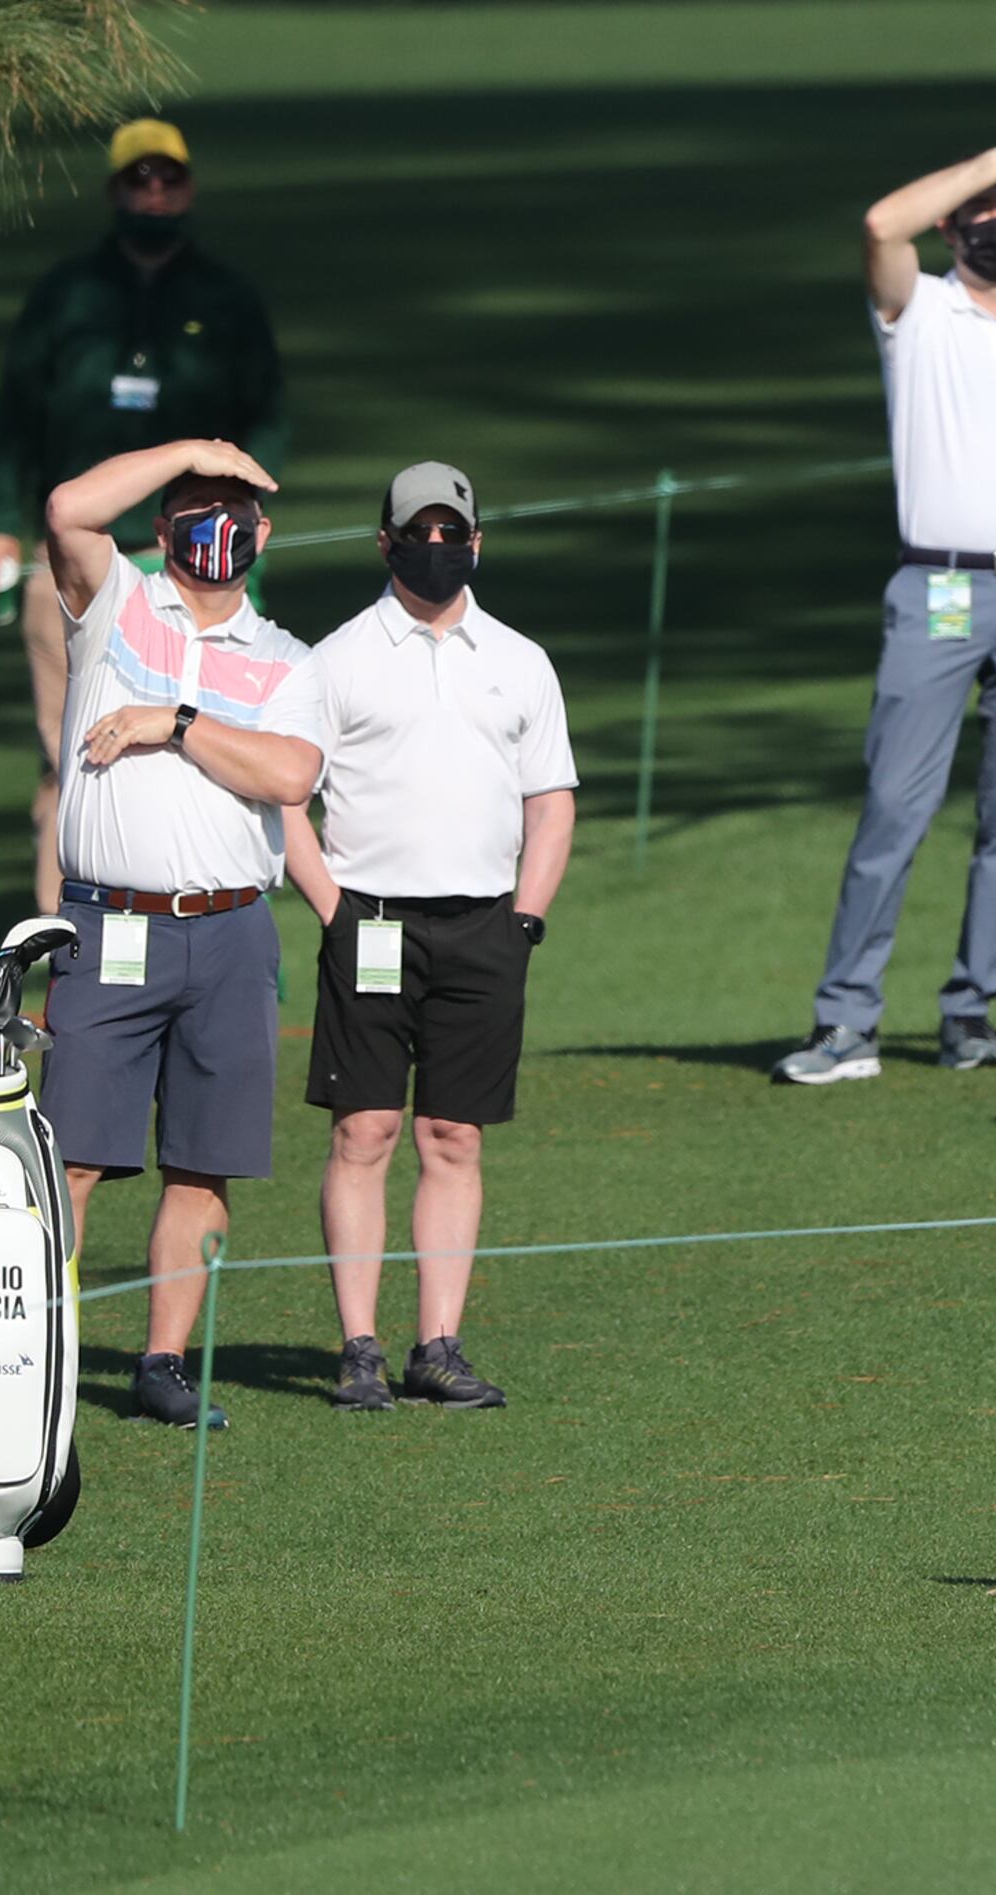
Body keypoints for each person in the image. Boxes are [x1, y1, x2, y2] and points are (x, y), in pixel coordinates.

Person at [777, 135, 996, 1083]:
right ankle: (846, 1021)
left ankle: (971, 1011)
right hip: (940, 589)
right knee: (896, 804)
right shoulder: (914, 309)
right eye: (978, 212)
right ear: (954, 222)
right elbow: (882, 223)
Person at [37, 439, 330, 1430]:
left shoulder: (287, 657)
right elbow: (70, 506)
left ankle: (162, 1361)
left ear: (264, 532)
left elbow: (289, 776)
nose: (218, 524)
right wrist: (195, 447)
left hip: (231, 935)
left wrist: (177, 719)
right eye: (197, 506)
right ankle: (43, 1348)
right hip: (110, 923)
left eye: (235, 507)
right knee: (71, 1153)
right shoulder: (117, 602)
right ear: (163, 528)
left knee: (205, 1162)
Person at [284, 464, 576, 1412]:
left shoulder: (520, 658)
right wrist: (334, 908)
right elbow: (287, 796)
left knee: (454, 1136)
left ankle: (438, 1345)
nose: (438, 548)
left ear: (478, 542)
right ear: (386, 542)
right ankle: (360, 1345)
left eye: (454, 533)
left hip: (486, 923)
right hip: (369, 919)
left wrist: (526, 916)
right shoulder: (334, 660)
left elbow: (552, 799)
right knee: (364, 1129)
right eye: (421, 532)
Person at [0, 118, 287, 903]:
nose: (153, 191)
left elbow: (266, 414)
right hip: (77, 558)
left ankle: (216, 914)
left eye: (166, 178)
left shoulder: (225, 297)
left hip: (201, 555)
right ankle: (62, 937)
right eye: (138, 179)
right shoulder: (67, 294)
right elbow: (17, 413)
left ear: (187, 187)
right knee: (69, 746)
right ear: (115, 189)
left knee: (215, 736)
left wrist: (250, 517)